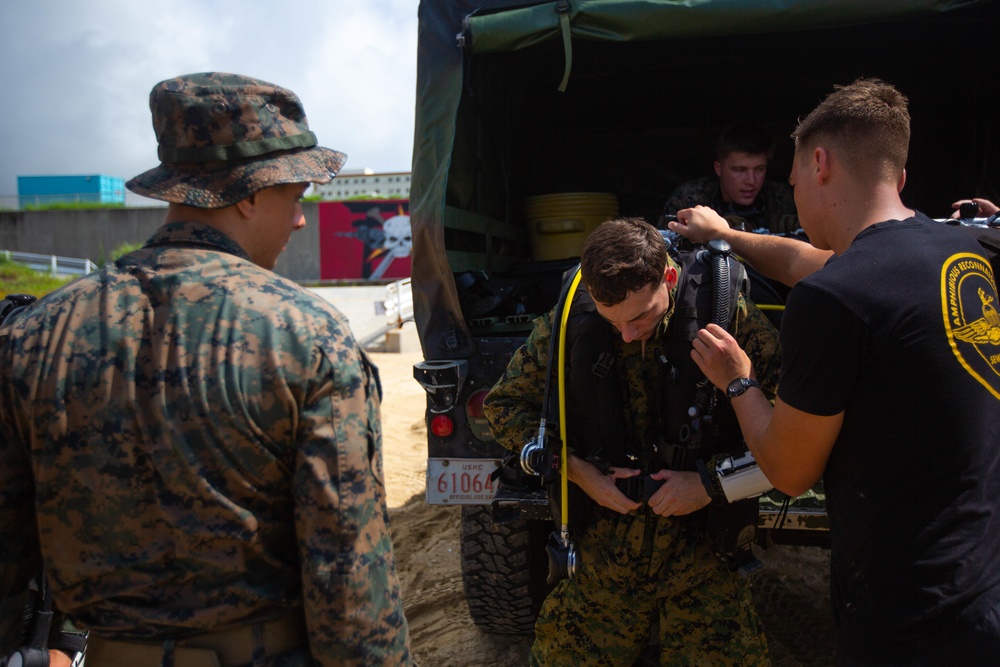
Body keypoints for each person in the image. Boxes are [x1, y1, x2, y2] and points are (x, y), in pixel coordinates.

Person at [0, 73, 412, 666]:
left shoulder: (36, 333)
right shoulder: (306, 335)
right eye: (294, 197)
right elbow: (349, 577)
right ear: (247, 195)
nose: (300, 221)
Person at [689, 78, 1000, 664]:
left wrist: (737, 379)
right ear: (899, 177)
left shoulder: (834, 301)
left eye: (795, 179)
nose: (796, 196)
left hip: (910, 617)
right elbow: (811, 261)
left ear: (821, 164)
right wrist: (729, 236)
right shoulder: (964, 251)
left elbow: (786, 469)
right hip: (983, 581)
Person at [484, 217, 782, 665]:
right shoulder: (572, 319)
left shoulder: (724, 313)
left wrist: (709, 485)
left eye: (641, 317)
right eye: (612, 321)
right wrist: (577, 472)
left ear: (666, 277)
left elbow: (792, 437)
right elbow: (503, 406)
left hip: (702, 559)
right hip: (604, 559)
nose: (627, 334)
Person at [659, 123, 798, 234]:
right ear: (718, 168)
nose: (751, 180)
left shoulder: (782, 198)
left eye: (759, 169)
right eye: (739, 170)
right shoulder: (689, 199)